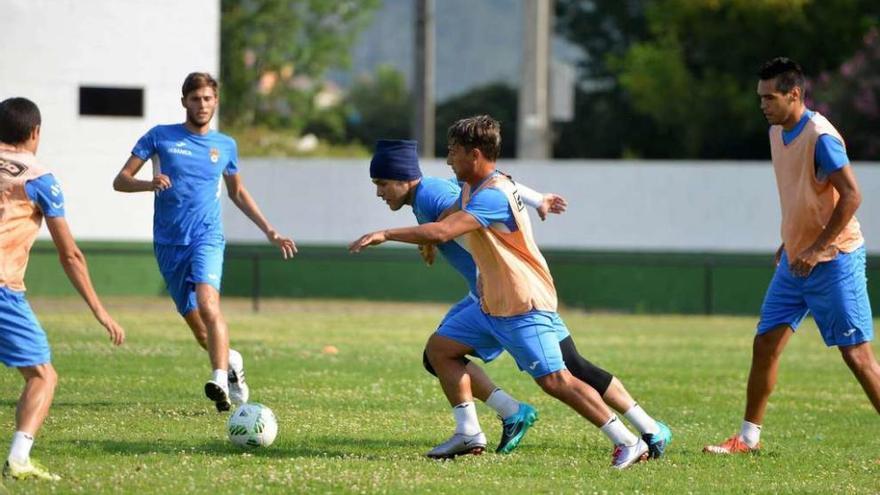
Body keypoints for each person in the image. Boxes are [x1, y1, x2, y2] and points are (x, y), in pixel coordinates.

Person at [352, 119, 669, 469]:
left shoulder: (490, 194)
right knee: (440, 350)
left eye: (453, 152)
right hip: (492, 302)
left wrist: (386, 233)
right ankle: (469, 433)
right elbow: (460, 213)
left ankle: (627, 440)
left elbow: (444, 230)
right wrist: (540, 199)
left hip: (522, 303)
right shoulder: (476, 184)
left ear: (474, 154)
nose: (447, 161)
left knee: (557, 379)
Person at [704, 57, 880, 455]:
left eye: (770, 97)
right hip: (795, 262)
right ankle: (747, 439)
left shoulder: (821, 137)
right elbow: (806, 195)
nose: (763, 105)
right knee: (765, 343)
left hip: (834, 260)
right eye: (760, 97)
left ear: (794, 94)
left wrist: (817, 248)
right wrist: (792, 241)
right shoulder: (776, 133)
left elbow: (852, 195)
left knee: (857, 357)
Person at [113, 73, 296, 412]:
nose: (202, 105)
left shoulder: (225, 145)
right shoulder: (160, 137)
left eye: (208, 99)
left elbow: (237, 192)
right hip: (169, 243)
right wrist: (148, 184)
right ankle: (232, 363)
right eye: (195, 99)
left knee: (210, 305)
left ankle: (217, 377)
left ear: (216, 102)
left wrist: (270, 230)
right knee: (201, 331)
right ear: (185, 101)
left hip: (207, 237)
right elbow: (120, 181)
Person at [0, 97, 125, 481]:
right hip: (3, 288)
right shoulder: (38, 178)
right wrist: (99, 310)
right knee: (43, 376)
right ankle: (19, 459)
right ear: (35, 133)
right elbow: (69, 255)